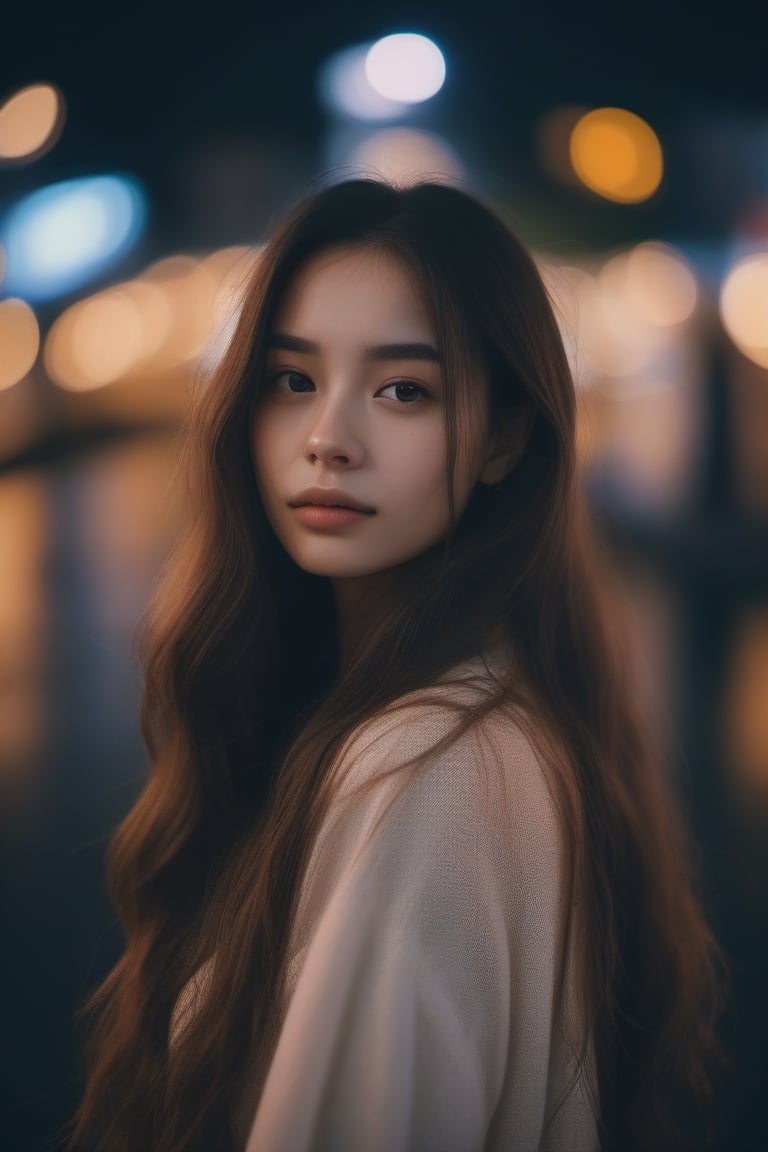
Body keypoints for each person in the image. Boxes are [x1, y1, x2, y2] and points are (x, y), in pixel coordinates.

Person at [67, 177, 724, 1152]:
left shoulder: (428, 773)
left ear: (504, 437)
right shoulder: (487, 720)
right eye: (292, 380)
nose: (329, 439)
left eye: (403, 391)